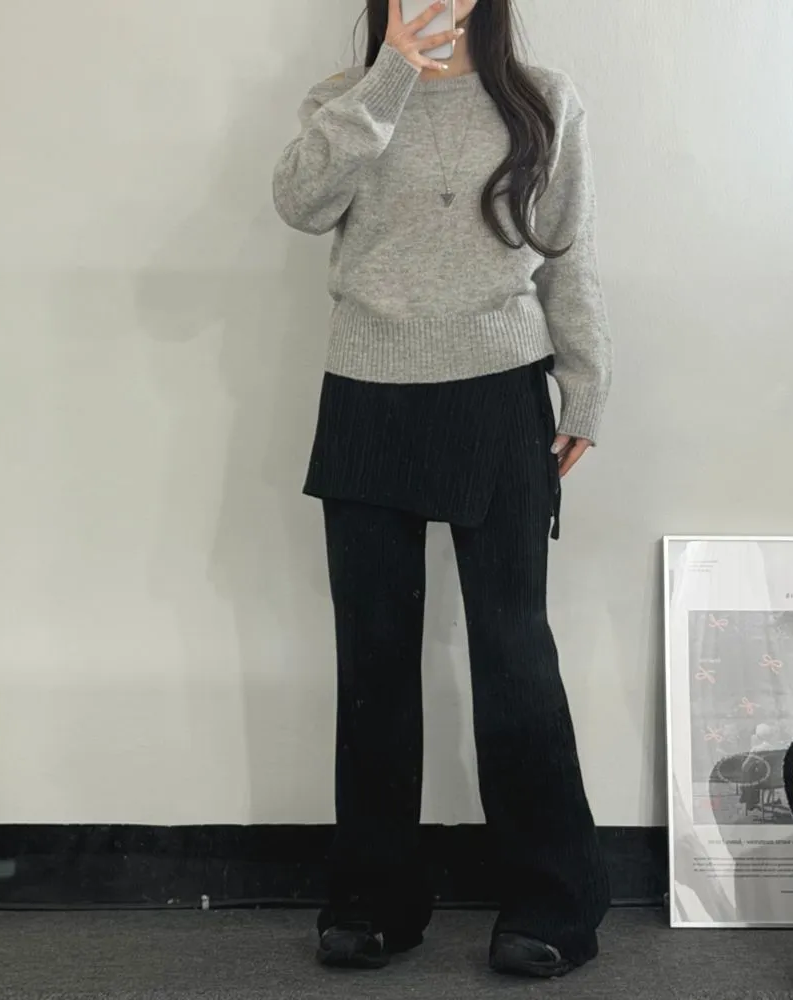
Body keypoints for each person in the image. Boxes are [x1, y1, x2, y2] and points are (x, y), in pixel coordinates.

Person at [272, 0, 612, 978]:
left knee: (514, 652)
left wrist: (586, 384)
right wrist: (390, 76)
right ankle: (374, 898)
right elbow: (300, 204)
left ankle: (554, 901)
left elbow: (568, 250)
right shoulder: (344, 99)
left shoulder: (542, 100)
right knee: (373, 657)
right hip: (366, 390)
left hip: (497, 390)